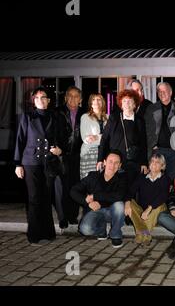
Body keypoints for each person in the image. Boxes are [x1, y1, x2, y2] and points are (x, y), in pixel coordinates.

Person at [14, 87, 64, 245]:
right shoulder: (27, 117)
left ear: (48, 101)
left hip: (49, 162)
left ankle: (48, 233)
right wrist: (17, 164)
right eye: (37, 98)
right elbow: (19, 141)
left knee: (46, 198)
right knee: (35, 198)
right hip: (31, 163)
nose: (41, 100)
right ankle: (34, 234)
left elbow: (62, 138)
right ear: (33, 101)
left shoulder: (55, 117)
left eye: (44, 97)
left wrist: (60, 149)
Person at [71, 150, 127, 248]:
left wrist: (95, 196)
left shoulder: (122, 180)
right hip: (94, 211)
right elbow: (74, 191)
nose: (112, 165)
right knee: (85, 230)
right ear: (104, 162)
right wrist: (87, 202)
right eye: (110, 161)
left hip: (111, 212)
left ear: (119, 165)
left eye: (116, 163)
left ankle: (116, 235)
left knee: (119, 205)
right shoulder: (93, 176)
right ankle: (101, 230)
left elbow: (119, 196)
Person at [97, 89, 147, 185]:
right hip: (115, 163)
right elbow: (104, 140)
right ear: (121, 104)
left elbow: (143, 144)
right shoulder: (113, 118)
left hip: (133, 163)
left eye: (130, 101)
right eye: (124, 101)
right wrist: (100, 159)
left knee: (130, 192)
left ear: (134, 104)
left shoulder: (140, 121)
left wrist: (144, 163)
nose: (127, 104)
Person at [125, 153, 170, 245]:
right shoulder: (142, 177)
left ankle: (142, 235)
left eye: (157, 162)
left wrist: (149, 209)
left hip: (158, 209)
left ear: (162, 166)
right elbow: (130, 191)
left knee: (159, 206)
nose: (154, 164)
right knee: (130, 202)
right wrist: (127, 203)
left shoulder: (165, 179)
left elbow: (163, 196)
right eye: (152, 161)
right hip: (143, 209)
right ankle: (146, 235)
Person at [56, 86, 85, 228]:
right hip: (62, 155)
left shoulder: (84, 113)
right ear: (65, 97)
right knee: (62, 187)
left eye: (76, 96)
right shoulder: (58, 112)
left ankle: (72, 215)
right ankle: (63, 217)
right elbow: (52, 132)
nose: (73, 98)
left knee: (75, 186)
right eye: (70, 95)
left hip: (78, 156)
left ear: (80, 99)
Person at [144, 82, 175, 180]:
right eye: (159, 91)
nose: (162, 93)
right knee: (156, 179)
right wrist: (152, 145)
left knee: (172, 181)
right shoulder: (151, 108)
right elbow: (147, 130)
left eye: (164, 91)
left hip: (173, 152)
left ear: (170, 92)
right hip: (157, 150)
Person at [80, 93, 108, 179]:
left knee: (102, 181)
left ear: (103, 102)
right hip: (89, 153)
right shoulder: (85, 117)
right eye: (93, 99)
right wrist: (102, 137)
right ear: (90, 103)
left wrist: (96, 137)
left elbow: (109, 137)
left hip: (104, 153)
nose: (96, 101)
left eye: (99, 99)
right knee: (88, 182)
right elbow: (86, 139)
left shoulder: (108, 118)